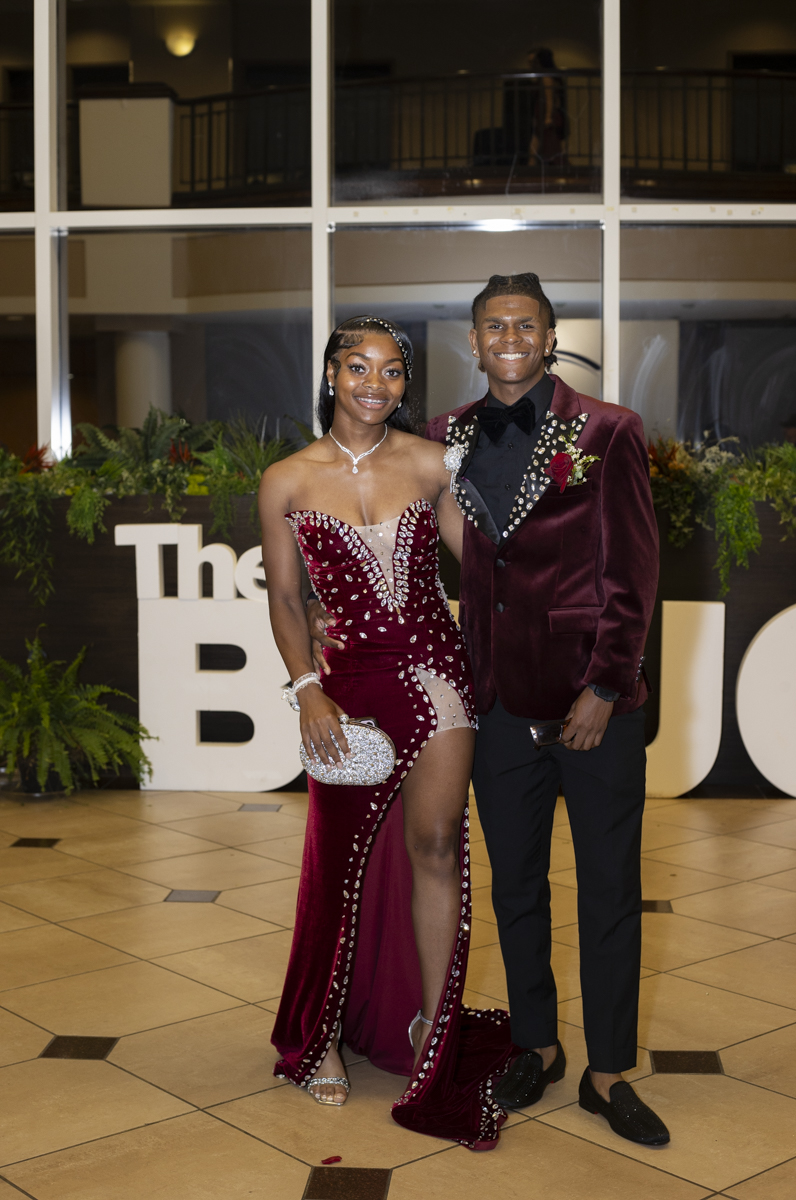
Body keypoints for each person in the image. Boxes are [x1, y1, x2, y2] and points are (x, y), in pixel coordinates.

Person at [309, 276, 670, 1148]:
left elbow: (635, 574)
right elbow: (372, 508)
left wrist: (605, 686)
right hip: (495, 703)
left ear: (549, 337)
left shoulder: (609, 430)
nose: (510, 337)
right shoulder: (443, 436)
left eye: (525, 325)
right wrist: (325, 604)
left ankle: (608, 1071)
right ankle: (538, 1046)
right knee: (515, 888)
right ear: (473, 343)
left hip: (592, 704)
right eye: (494, 326)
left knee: (610, 891)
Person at [259, 315, 512, 1151]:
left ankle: (433, 1025)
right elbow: (285, 600)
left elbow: (486, 570)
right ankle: (320, 1033)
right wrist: (308, 690)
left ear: (406, 383)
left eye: (393, 369)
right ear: (331, 374)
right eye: (359, 366)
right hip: (344, 688)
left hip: (438, 675)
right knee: (339, 862)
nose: (376, 382)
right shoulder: (286, 479)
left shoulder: (436, 463)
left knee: (437, 845)